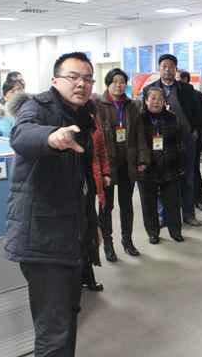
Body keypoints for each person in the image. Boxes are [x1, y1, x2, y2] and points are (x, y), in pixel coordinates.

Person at [4, 52, 97, 356]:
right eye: (73, 77)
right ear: (55, 80)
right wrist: (51, 137)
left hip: (69, 235)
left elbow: (82, 184)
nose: (81, 84)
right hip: (43, 238)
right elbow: (21, 134)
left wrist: (90, 227)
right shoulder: (38, 106)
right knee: (54, 332)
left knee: (67, 318)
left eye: (87, 78)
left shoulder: (82, 115)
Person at [143, 54, 202, 227]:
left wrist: (194, 132)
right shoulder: (149, 89)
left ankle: (188, 214)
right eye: (164, 66)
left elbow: (197, 113)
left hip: (185, 141)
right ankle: (163, 216)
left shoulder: (187, 89)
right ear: (159, 69)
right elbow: (144, 115)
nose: (167, 69)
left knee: (187, 178)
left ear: (175, 69)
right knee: (161, 179)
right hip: (160, 142)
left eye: (171, 66)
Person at [94, 68, 149, 262]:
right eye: (115, 81)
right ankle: (108, 245)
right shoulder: (97, 105)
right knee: (106, 207)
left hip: (128, 162)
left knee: (127, 205)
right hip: (107, 165)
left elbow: (140, 134)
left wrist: (142, 159)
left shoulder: (133, 106)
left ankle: (127, 241)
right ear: (108, 84)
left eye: (122, 81)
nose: (119, 85)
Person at [135, 87, 185, 244]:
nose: (156, 102)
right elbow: (135, 144)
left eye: (160, 99)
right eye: (153, 98)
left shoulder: (172, 118)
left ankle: (175, 231)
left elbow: (179, 143)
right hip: (147, 168)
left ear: (164, 102)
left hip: (169, 166)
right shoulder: (139, 119)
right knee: (148, 203)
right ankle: (152, 232)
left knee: (172, 202)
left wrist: (179, 163)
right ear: (146, 100)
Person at [81, 111, 111, 292]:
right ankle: (77, 279)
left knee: (89, 231)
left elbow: (101, 151)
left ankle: (88, 277)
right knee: (76, 234)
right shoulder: (61, 120)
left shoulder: (91, 120)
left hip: (91, 183)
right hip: (70, 187)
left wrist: (105, 173)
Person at [179, 70, 202, 212]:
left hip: (193, 139)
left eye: (180, 79)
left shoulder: (197, 95)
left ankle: (198, 198)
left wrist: (201, 137)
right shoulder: (171, 95)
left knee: (194, 169)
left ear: (186, 80)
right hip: (175, 141)